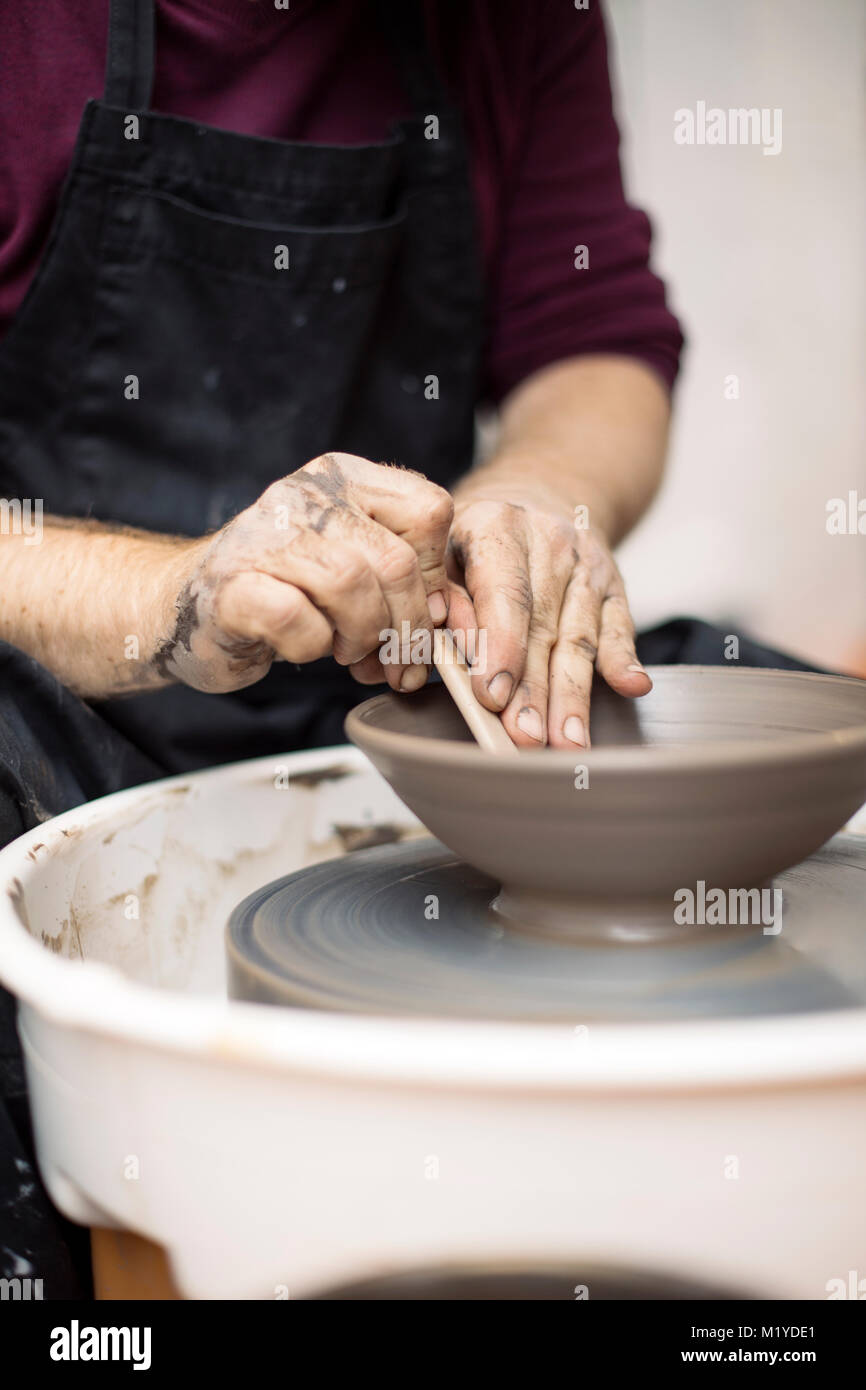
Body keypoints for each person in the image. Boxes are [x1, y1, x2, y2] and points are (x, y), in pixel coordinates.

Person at [0, 1, 816, 1297]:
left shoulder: (515, 17)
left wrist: (539, 492)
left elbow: (592, 335)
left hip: (401, 686)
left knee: (755, 700)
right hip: (56, 701)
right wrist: (174, 593)